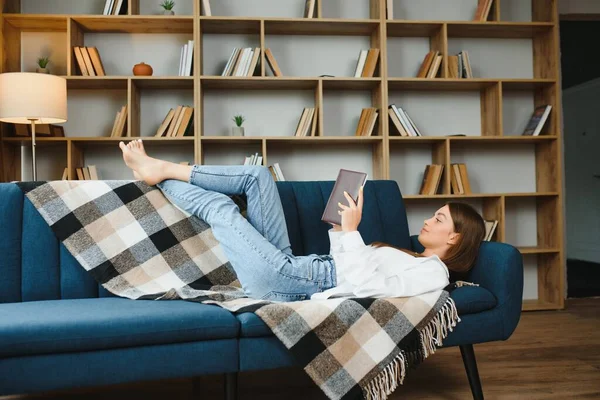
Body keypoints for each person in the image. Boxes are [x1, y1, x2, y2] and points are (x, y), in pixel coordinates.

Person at [119, 139, 486, 301]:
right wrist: (342, 229)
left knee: (222, 209)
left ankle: (161, 174)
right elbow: (350, 266)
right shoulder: (412, 257)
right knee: (258, 176)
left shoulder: (434, 274)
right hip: (296, 267)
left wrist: (353, 232)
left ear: (455, 238)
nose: (428, 221)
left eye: (439, 220)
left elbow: (365, 288)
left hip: (288, 283)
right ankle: (162, 171)